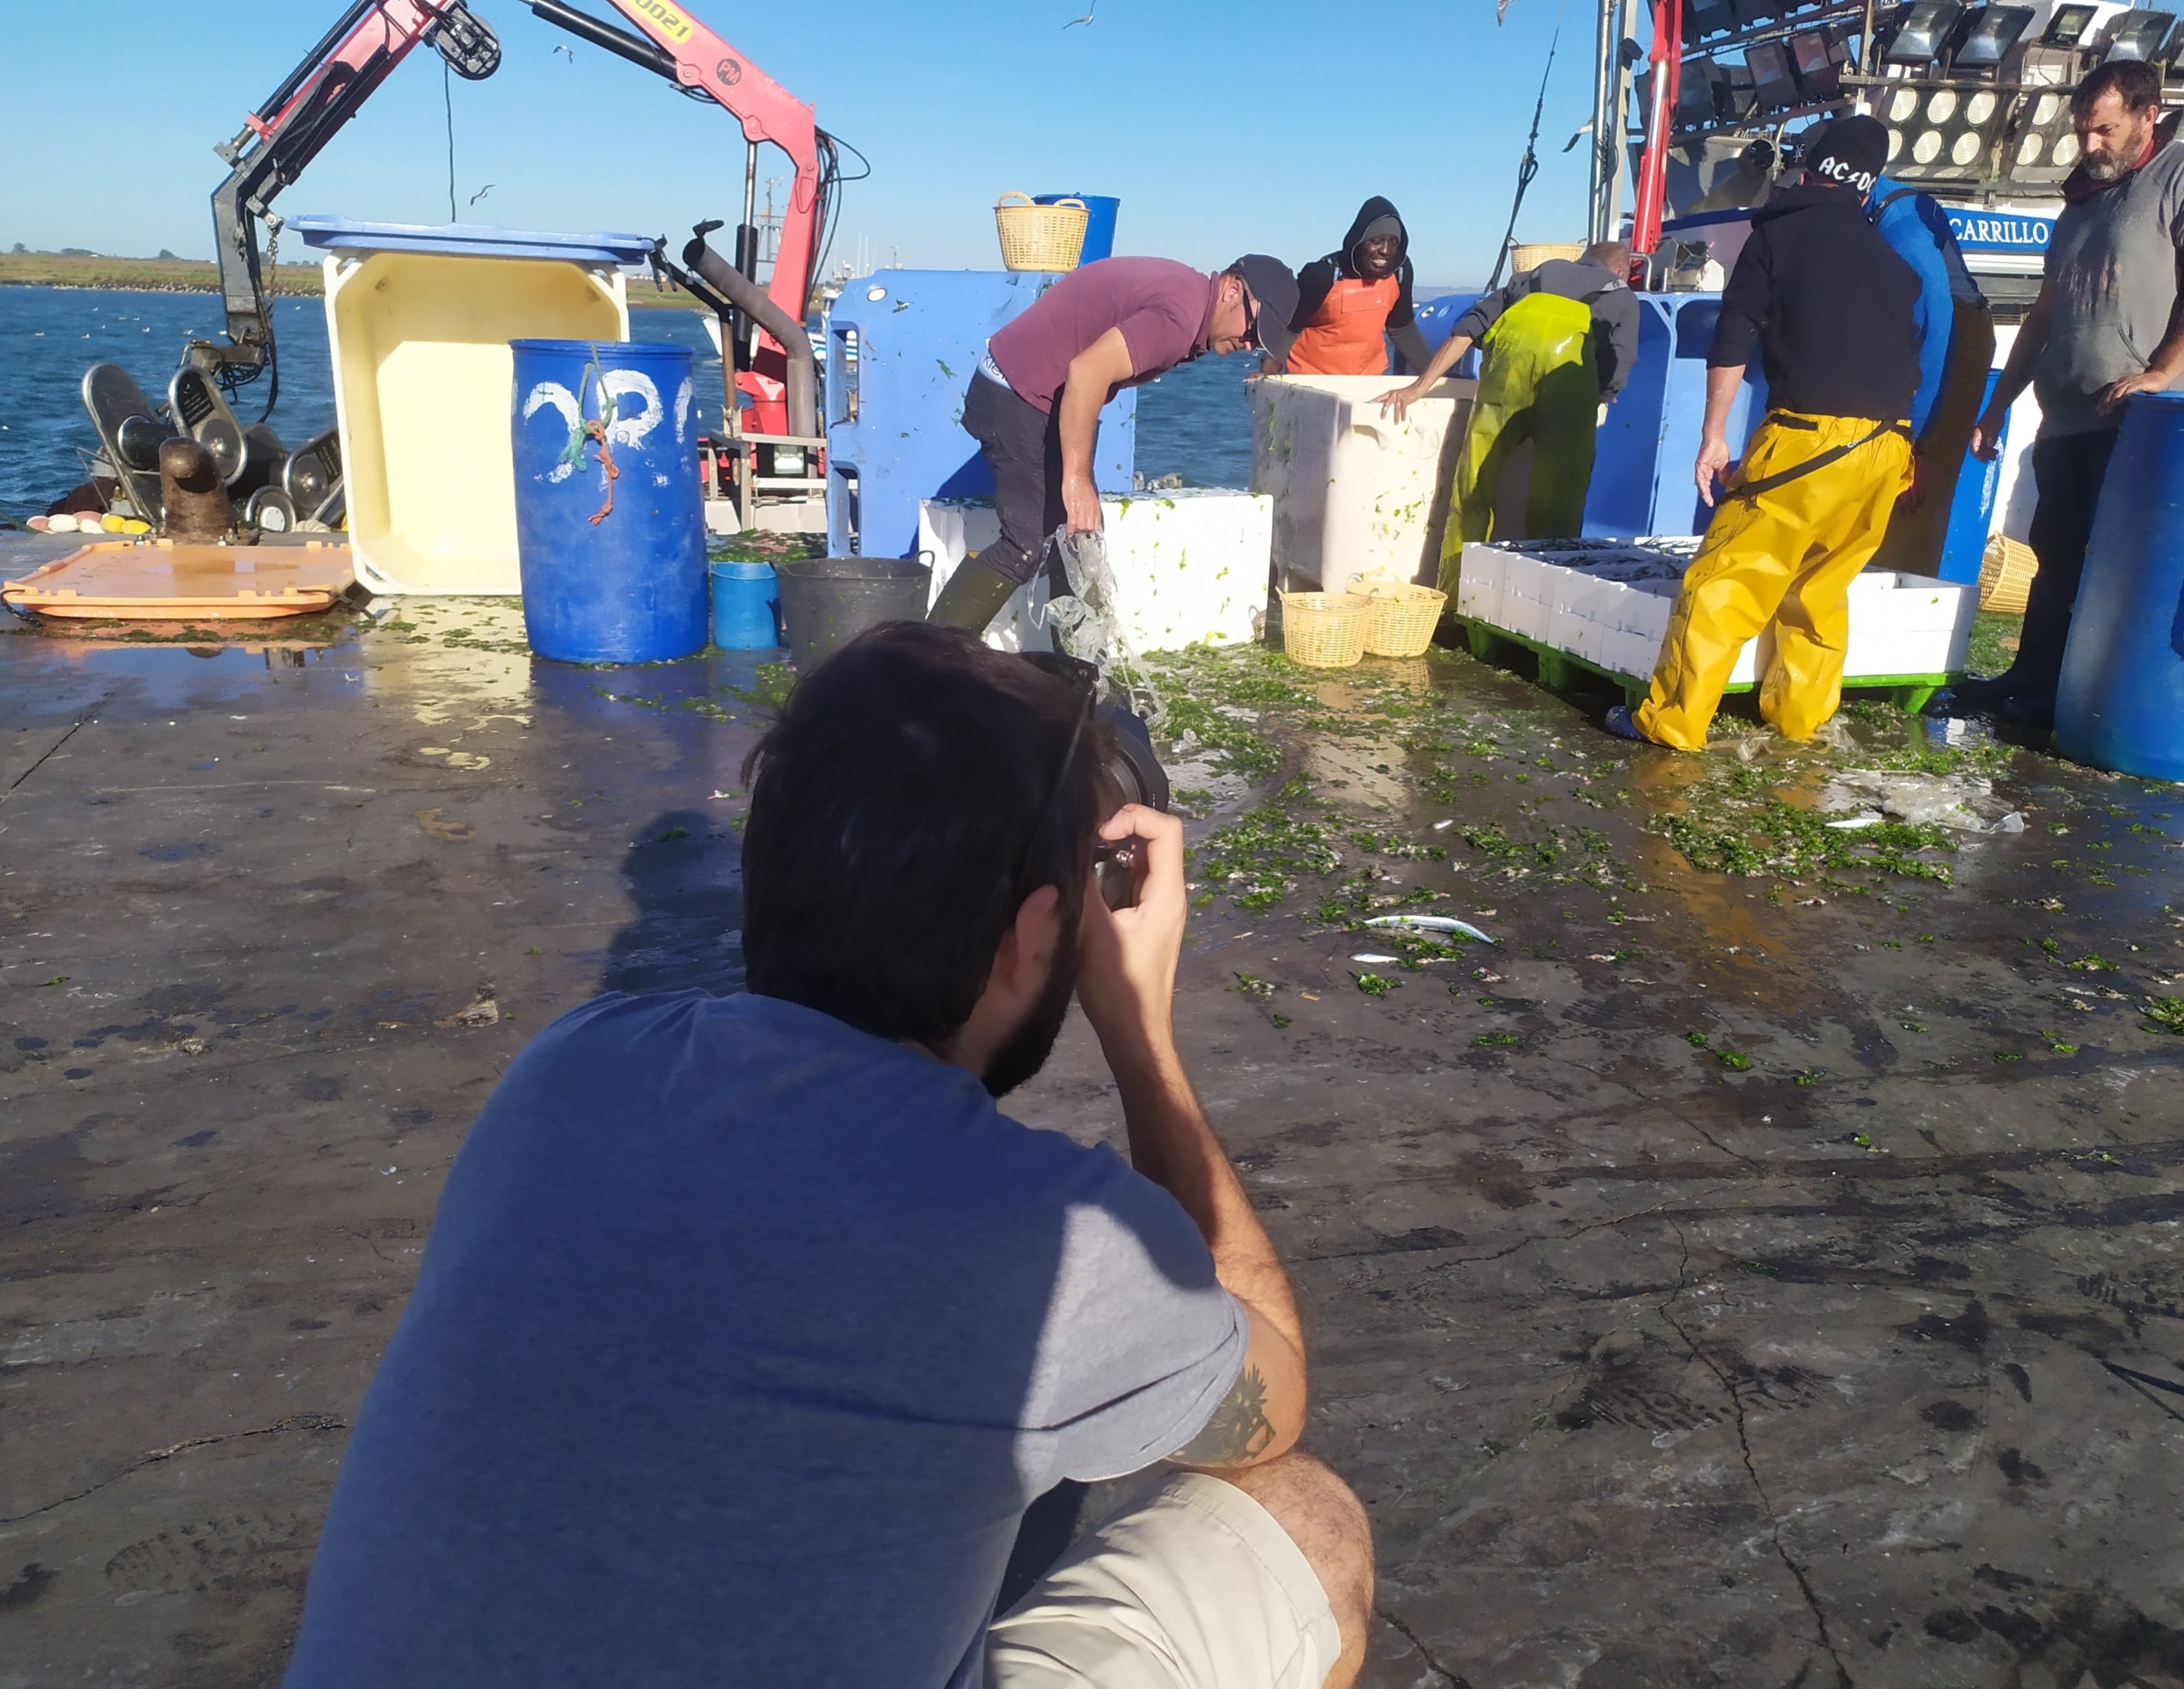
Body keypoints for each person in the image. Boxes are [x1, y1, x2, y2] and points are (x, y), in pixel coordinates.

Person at [280, 623, 1376, 1689]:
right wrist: (1140, 1034)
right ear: (1038, 933)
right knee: (1305, 1520)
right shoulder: (1056, 1237)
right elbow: (1266, 1407)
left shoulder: (566, 1071)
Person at [1607, 114, 1918, 750]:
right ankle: (1799, 720)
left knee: (1723, 582)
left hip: (1810, 440)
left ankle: (1670, 723)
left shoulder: (1778, 235)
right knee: (1820, 589)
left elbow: (1734, 336)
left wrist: (1713, 435)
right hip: (1887, 447)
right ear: (1867, 186)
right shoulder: (1892, 262)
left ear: (1808, 168)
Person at [1966, 60, 2184, 729]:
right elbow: (2042, 315)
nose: (2090, 144)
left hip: (2138, 420)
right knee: (2054, 558)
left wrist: (2160, 373)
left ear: (2149, 116)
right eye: (2081, 130)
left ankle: (2084, 698)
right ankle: (2031, 678)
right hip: (2065, 418)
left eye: (2105, 130)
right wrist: (1997, 405)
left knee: (2112, 567)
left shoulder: (2179, 171)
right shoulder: (2081, 199)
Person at [928, 254, 1302, 633]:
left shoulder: (1190, 299)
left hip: (1033, 395)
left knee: (1079, 543)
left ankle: (1083, 664)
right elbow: (1087, 372)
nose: (1249, 344)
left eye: (1259, 342)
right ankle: (918, 655)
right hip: (1014, 395)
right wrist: (1076, 479)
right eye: (1254, 329)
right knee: (1024, 547)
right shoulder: (1180, 317)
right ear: (1232, 290)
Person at [1379, 241, 1640, 614]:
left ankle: (1453, 596)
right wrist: (1604, 393)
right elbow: (1620, 358)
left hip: (1506, 381)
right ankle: (1542, 606)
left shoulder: (1528, 279)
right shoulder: (1622, 296)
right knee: (1558, 498)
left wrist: (1418, 388)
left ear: (1582, 260)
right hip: (1566, 394)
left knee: (1473, 488)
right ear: (1621, 271)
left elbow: (1466, 330)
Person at [1864, 159, 1993, 578]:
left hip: (1954, 339)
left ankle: (1898, 597)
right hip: (1918, 332)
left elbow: (1937, 324)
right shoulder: (1868, 204)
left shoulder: (1902, 228)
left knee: (1911, 494)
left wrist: (1916, 439)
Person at [1276, 195, 1433, 376]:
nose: (1385, 250)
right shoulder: (1321, 275)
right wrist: (1268, 371)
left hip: (1367, 381)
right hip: (1311, 379)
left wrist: (1436, 377)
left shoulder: (1400, 272)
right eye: (1376, 241)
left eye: (1393, 242)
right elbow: (1288, 329)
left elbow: (1402, 329)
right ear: (1359, 241)